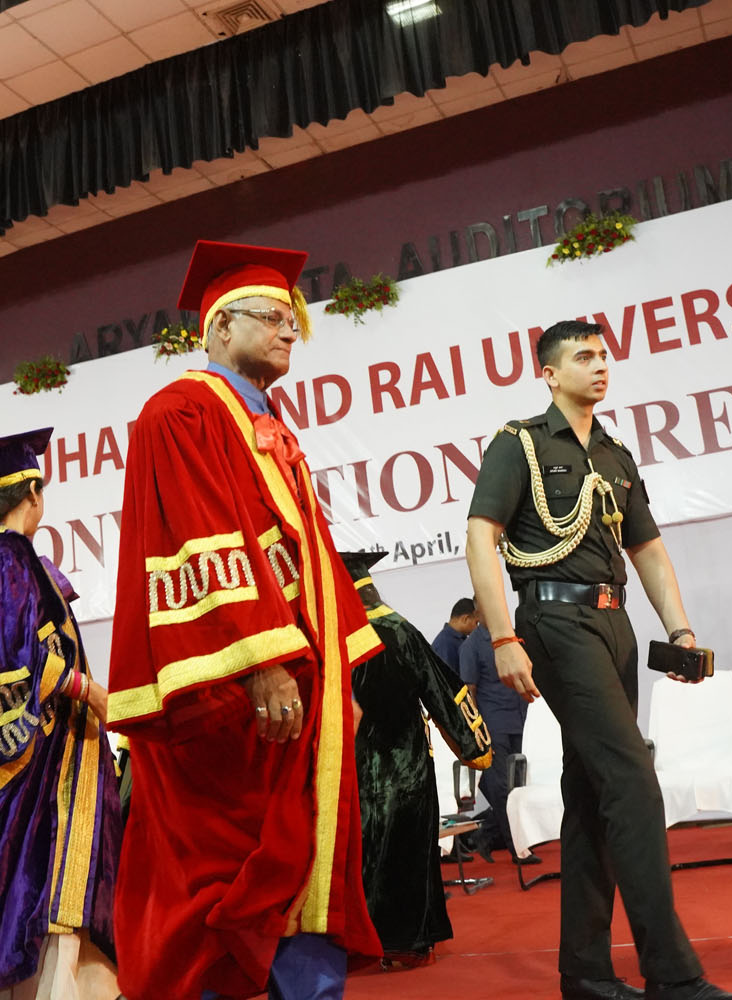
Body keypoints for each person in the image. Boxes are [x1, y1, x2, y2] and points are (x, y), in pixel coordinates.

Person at [108, 240, 383, 1000]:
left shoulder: (272, 425)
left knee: (302, 849)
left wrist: (338, 678)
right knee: (230, 869)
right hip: (231, 695)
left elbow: (311, 554)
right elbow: (198, 538)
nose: (290, 328)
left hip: (298, 685)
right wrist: (262, 660)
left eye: (294, 318)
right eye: (271, 316)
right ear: (219, 327)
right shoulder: (181, 411)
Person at [465, 321, 732, 1000]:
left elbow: (646, 548)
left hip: (614, 622)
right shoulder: (520, 444)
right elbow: (480, 535)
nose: (600, 366)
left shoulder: (615, 455)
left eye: (604, 356)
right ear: (549, 374)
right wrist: (502, 638)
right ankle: (672, 975)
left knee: (591, 796)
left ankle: (586, 973)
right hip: (554, 620)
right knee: (632, 782)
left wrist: (679, 631)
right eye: (584, 357)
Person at [0, 428, 122, 1000]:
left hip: (18, 757)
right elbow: (14, 657)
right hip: (30, 763)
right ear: (32, 493)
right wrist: (90, 691)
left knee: (10, 897)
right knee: (25, 891)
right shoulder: (5, 556)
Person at [339, 549, 492, 967]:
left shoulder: (330, 637)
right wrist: (475, 745)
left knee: (356, 854)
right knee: (406, 852)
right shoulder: (400, 631)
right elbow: (443, 690)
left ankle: (356, 941)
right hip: (404, 767)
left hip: (350, 770)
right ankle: (405, 942)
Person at [458, 614, 533, 864]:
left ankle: (486, 833)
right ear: (477, 613)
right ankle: (517, 849)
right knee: (501, 789)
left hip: (518, 720)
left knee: (518, 789)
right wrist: (477, 729)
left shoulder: (511, 638)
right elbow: (469, 690)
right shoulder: (471, 646)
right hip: (493, 724)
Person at [430, 598, 479, 674]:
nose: (477, 627)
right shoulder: (445, 644)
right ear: (465, 619)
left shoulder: (459, 640)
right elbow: (446, 678)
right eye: (476, 623)